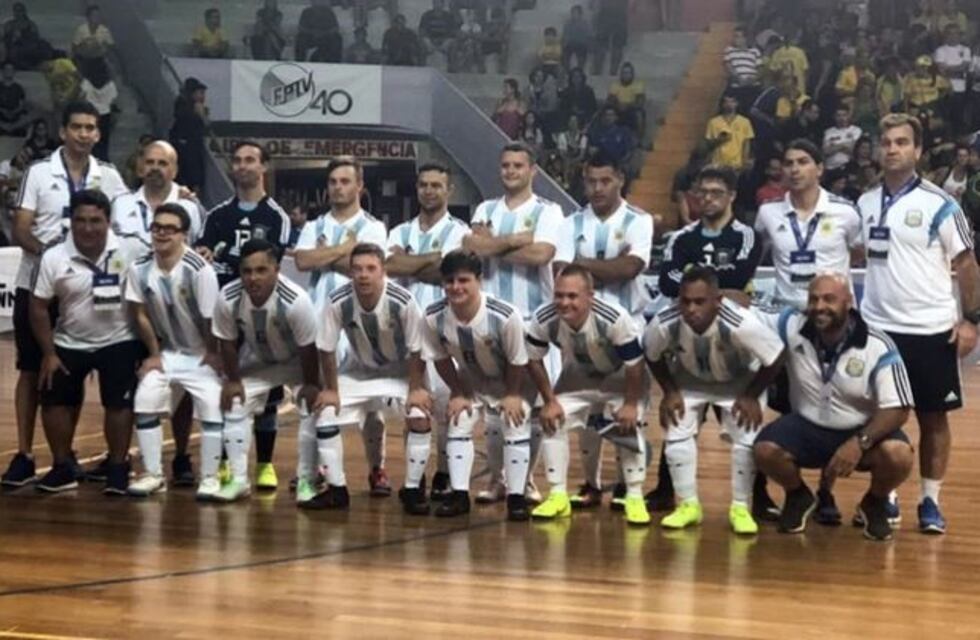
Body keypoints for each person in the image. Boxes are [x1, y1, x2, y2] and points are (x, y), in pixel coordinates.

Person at [858, 113, 980, 534]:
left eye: (901, 142)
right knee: (882, 417)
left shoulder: (940, 203)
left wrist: (971, 321)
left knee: (933, 419)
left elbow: (966, 264)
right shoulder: (865, 201)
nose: (892, 149)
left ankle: (930, 500)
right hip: (877, 331)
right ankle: (885, 495)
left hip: (930, 330)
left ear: (918, 150)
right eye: (886, 141)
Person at [2, 101, 128, 488]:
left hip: (86, 287)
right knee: (30, 368)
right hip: (39, 282)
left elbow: (127, 221)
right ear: (63, 131)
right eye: (77, 127)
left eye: (91, 128)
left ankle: (66, 455)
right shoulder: (40, 173)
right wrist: (58, 258)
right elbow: (21, 227)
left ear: (98, 133)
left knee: (70, 369)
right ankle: (24, 454)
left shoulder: (108, 175)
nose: (84, 134)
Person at [754, 273, 914, 541]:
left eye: (829, 299)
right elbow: (748, 307)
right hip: (807, 427)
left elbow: (899, 409)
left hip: (860, 429)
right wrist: (724, 294)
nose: (819, 306)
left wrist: (859, 442)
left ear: (849, 302)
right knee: (764, 450)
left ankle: (873, 502)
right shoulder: (791, 325)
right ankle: (798, 496)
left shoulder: (878, 344)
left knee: (899, 455)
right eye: (813, 299)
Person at [645, 266, 785, 534]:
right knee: (676, 433)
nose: (691, 309)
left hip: (739, 381)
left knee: (745, 440)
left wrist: (751, 395)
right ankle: (687, 506)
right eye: (685, 301)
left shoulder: (741, 323)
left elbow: (776, 355)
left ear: (718, 301)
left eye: (700, 302)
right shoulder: (664, 323)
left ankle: (741, 508)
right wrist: (670, 391)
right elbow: (652, 355)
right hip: (689, 379)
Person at [463, 142, 564, 504]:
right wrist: (515, 240)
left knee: (532, 406)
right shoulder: (485, 208)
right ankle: (496, 481)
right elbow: (471, 247)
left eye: (518, 166)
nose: (510, 171)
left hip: (534, 320)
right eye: (505, 165)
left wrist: (496, 245)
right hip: (488, 320)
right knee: (493, 405)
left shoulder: (548, 211)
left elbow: (542, 254)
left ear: (532, 170)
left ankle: (527, 481)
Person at [551, 155, 651, 509]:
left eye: (605, 181)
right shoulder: (570, 222)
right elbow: (562, 271)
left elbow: (631, 267)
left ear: (620, 179)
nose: (597, 188)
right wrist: (607, 267)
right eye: (591, 181)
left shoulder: (639, 220)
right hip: (578, 325)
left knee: (625, 412)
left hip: (626, 327)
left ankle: (627, 486)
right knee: (587, 409)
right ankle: (591, 484)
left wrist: (582, 266)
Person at [31, 189, 144, 493]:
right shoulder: (54, 255)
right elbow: (38, 306)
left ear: (108, 221)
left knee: (119, 404)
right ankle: (62, 466)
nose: (88, 227)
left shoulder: (130, 249)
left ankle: (118, 467)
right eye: (80, 220)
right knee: (54, 399)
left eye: (96, 220)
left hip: (119, 339)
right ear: (71, 221)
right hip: (69, 340)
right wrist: (49, 353)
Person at [195, 141, 291, 491]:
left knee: (267, 396)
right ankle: (224, 462)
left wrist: (227, 258)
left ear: (263, 166)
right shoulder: (217, 215)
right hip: (226, 312)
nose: (242, 166)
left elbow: (270, 263)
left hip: (263, 314)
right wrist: (214, 258)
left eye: (250, 159)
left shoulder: (275, 216)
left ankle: (264, 464)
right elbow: (203, 255)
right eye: (236, 160)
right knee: (226, 387)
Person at [292, 156, 390, 495]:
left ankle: (377, 469)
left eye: (345, 181)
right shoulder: (313, 225)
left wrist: (329, 256)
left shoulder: (374, 226)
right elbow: (303, 261)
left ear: (359, 186)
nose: (338, 187)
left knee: (371, 403)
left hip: (360, 325)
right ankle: (312, 471)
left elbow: (362, 267)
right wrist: (345, 251)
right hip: (319, 322)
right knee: (316, 398)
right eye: (333, 182)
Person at [311, 244, 432, 512]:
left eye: (370, 268)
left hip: (403, 371)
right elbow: (326, 347)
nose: (363, 275)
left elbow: (417, 348)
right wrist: (331, 389)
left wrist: (415, 389)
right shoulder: (337, 300)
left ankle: (413, 489)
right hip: (361, 369)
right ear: (350, 272)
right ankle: (337, 489)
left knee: (419, 415)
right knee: (326, 413)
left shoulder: (403, 300)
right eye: (357, 269)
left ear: (383, 271)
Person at [527, 265, 650, 525]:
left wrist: (630, 404)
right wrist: (549, 401)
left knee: (628, 425)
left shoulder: (614, 317)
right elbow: (534, 360)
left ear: (590, 296)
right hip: (579, 374)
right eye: (559, 295)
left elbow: (635, 365)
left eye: (572, 296)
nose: (564, 302)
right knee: (552, 419)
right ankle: (559, 494)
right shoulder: (543, 318)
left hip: (620, 377)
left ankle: (634, 496)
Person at [422, 250, 535, 521]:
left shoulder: (505, 315)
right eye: (449, 281)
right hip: (472, 378)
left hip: (514, 379)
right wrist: (458, 392)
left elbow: (519, 360)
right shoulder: (433, 316)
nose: (456, 287)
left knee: (514, 422)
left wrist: (512, 395)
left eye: (463, 280)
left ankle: (516, 497)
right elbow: (440, 358)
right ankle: (459, 495)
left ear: (479, 280)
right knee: (458, 419)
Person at [211, 239, 321, 502]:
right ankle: (238, 480)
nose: (253, 278)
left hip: (296, 362)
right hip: (258, 360)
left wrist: (310, 384)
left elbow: (309, 349)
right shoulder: (228, 296)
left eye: (261, 270)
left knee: (311, 408)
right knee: (236, 404)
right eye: (247, 271)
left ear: (276, 269)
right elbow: (226, 342)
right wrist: (233, 380)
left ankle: (307, 480)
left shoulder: (296, 300)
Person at [126, 203, 223, 498]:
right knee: (145, 400)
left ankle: (210, 477)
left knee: (211, 408)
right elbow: (138, 313)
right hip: (169, 352)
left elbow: (211, 318)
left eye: (170, 229)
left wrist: (213, 354)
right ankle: (154, 474)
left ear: (184, 234)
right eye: (157, 228)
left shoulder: (200, 269)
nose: (162, 234)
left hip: (200, 352)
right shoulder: (139, 268)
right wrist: (154, 354)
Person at [755, 140, 863, 312]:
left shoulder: (845, 211)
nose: (795, 170)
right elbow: (759, 249)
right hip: (786, 314)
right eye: (789, 164)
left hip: (834, 312)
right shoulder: (768, 212)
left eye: (803, 162)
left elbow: (859, 252)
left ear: (819, 169)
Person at [111, 140, 204, 269]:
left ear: (174, 171)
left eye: (162, 163)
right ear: (140, 169)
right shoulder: (120, 205)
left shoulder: (189, 208)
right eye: (150, 162)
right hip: (128, 283)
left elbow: (199, 252)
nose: (155, 168)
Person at [169, 77, 208, 193]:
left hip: (194, 148)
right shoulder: (182, 106)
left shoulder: (199, 108)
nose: (203, 97)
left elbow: (206, 125)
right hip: (185, 148)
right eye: (200, 93)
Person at [933, 24, 971, 134]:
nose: (953, 36)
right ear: (945, 35)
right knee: (944, 118)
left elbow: (965, 67)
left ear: (960, 35)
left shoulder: (966, 49)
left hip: (960, 89)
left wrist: (948, 68)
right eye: (950, 33)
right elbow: (941, 70)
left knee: (958, 119)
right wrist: (958, 70)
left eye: (956, 33)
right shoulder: (940, 50)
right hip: (944, 90)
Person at [78, 58, 117, 162]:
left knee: (89, 142)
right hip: (105, 115)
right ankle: (103, 162)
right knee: (103, 143)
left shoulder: (86, 83)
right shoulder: (110, 85)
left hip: (90, 115)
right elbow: (113, 101)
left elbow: (81, 97)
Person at [706, 93, 755, 174]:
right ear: (722, 104)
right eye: (726, 102)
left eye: (732, 102)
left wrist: (744, 161)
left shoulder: (745, 122)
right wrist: (719, 140)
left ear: (737, 104)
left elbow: (746, 143)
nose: (729, 104)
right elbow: (709, 144)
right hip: (718, 164)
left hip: (736, 164)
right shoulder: (713, 122)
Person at [723, 26, 763, 113]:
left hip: (753, 85)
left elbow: (760, 69)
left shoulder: (755, 51)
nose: (735, 39)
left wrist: (753, 79)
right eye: (734, 36)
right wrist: (738, 78)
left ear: (745, 38)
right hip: (737, 86)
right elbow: (728, 66)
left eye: (737, 36)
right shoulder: (729, 50)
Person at [608, 62, 647, 143]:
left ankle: (637, 140)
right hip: (617, 109)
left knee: (640, 113)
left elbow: (640, 102)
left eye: (628, 73)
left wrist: (627, 105)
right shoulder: (615, 85)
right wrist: (618, 105)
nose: (626, 75)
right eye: (624, 73)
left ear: (632, 74)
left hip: (631, 109)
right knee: (607, 111)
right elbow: (610, 100)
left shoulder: (638, 85)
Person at [588, 106, 636, 171]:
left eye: (611, 115)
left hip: (616, 165)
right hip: (599, 165)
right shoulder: (596, 132)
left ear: (616, 117)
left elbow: (628, 151)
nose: (608, 117)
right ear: (602, 117)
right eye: (605, 115)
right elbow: (592, 149)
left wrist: (622, 163)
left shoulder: (623, 132)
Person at [71, 5, 114, 74]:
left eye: (98, 16)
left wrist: (104, 51)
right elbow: (74, 47)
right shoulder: (81, 30)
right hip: (84, 60)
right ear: (88, 17)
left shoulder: (104, 31)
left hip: (98, 60)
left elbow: (111, 47)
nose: (96, 18)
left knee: (110, 70)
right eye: (94, 16)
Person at [592, 0, 628, 76]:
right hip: (609, 15)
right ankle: (599, 71)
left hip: (616, 16)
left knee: (615, 47)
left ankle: (610, 71)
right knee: (601, 46)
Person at [419, 0, 459, 65]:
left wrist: (447, 42)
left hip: (445, 41)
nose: (437, 5)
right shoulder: (426, 15)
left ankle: (452, 70)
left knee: (454, 45)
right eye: (435, 3)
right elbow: (422, 31)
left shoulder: (449, 16)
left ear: (443, 4)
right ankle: (422, 69)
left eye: (439, 3)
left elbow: (453, 32)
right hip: (430, 40)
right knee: (422, 45)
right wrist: (427, 41)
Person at [0, 60, 29, 137]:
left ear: (14, 72)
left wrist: (15, 111)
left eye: (11, 69)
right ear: (2, 71)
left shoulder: (18, 88)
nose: (8, 71)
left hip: (15, 116)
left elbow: (22, 104)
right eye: (6, 69)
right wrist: (3, 111)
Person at [561, 4, 591, 71]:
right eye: (573, 13)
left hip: (581, 44)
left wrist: (588, 45)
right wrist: (563, 43)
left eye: (576, 13)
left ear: (580, 14)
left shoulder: (585, 23)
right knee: (565, 57)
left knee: (581, 59)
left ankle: (579, 72)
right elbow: (565, 34)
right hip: (570, 44)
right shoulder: (568, 23)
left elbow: (588, 35)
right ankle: (567, 71)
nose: (574, 15)